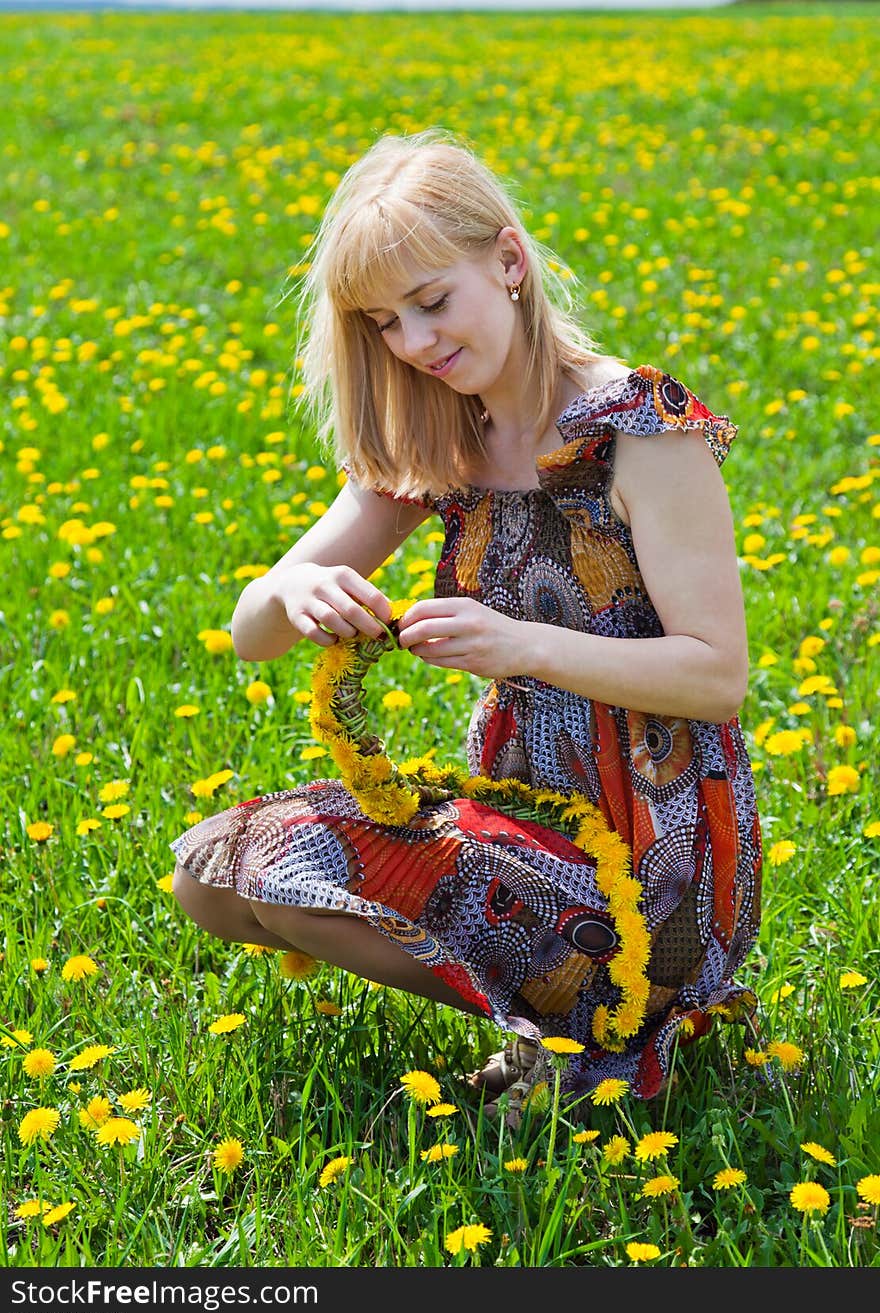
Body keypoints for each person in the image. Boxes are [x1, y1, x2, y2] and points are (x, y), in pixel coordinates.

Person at [170, 128, 762, 1110]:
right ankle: (541, 1021)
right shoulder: (444, 441)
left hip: (658, 869)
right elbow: (250, 629)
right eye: (383, 322)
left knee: (277, 869)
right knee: (213, 877)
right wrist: (290, 594)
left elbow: (715, 672)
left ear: (510, 261)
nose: (413, 342)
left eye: (432, 301)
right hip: (523, 825)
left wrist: (519, 644)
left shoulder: (638, 431)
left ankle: (590, 1037)